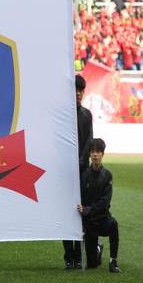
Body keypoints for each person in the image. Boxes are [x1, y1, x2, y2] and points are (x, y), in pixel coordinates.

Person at [63, 74, 93, 270]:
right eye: (75, 90)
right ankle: (69, 256)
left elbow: (89, 140)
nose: (78, 93)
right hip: (65, 170)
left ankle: (80, 255)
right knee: (65, 211)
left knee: (81, 211)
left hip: (82, 170)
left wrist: (81, 161)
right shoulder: (63, 115)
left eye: (81, 90)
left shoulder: (86, 115)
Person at [77, 139, 121, 273]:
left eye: (98, 152)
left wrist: (88, 209)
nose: (95, 155)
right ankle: (97, 248)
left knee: (113, 225)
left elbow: (105, 202)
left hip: (102, 219)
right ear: (90, 154)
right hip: (89, 222)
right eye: (92, 152)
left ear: (102, 154)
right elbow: (81, 197)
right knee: (92, 265)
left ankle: (113, 262)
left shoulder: (107, 175)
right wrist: (82, 209)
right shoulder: (84, 175)